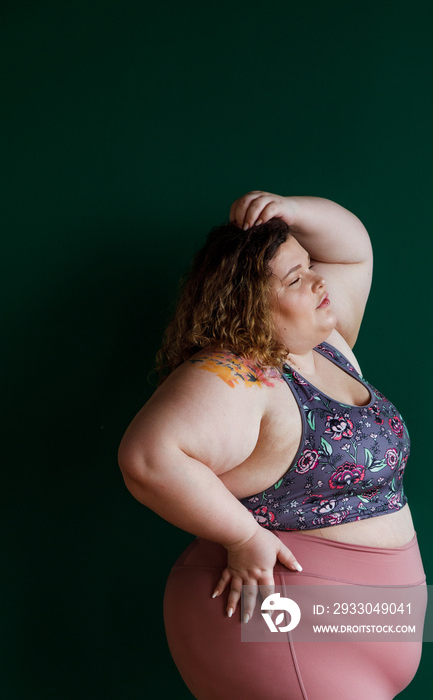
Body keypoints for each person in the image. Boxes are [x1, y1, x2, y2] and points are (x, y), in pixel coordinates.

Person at [118, 191, 426, 700]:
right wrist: (244, 538)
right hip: (282, 620)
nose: (318, 280)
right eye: (294, 279)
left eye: (308, 265)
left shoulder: (328, 347)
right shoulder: (239, 374)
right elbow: (148, 457)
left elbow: (352, 251)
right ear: (248, 302)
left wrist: (288, 211)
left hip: (365, 620)